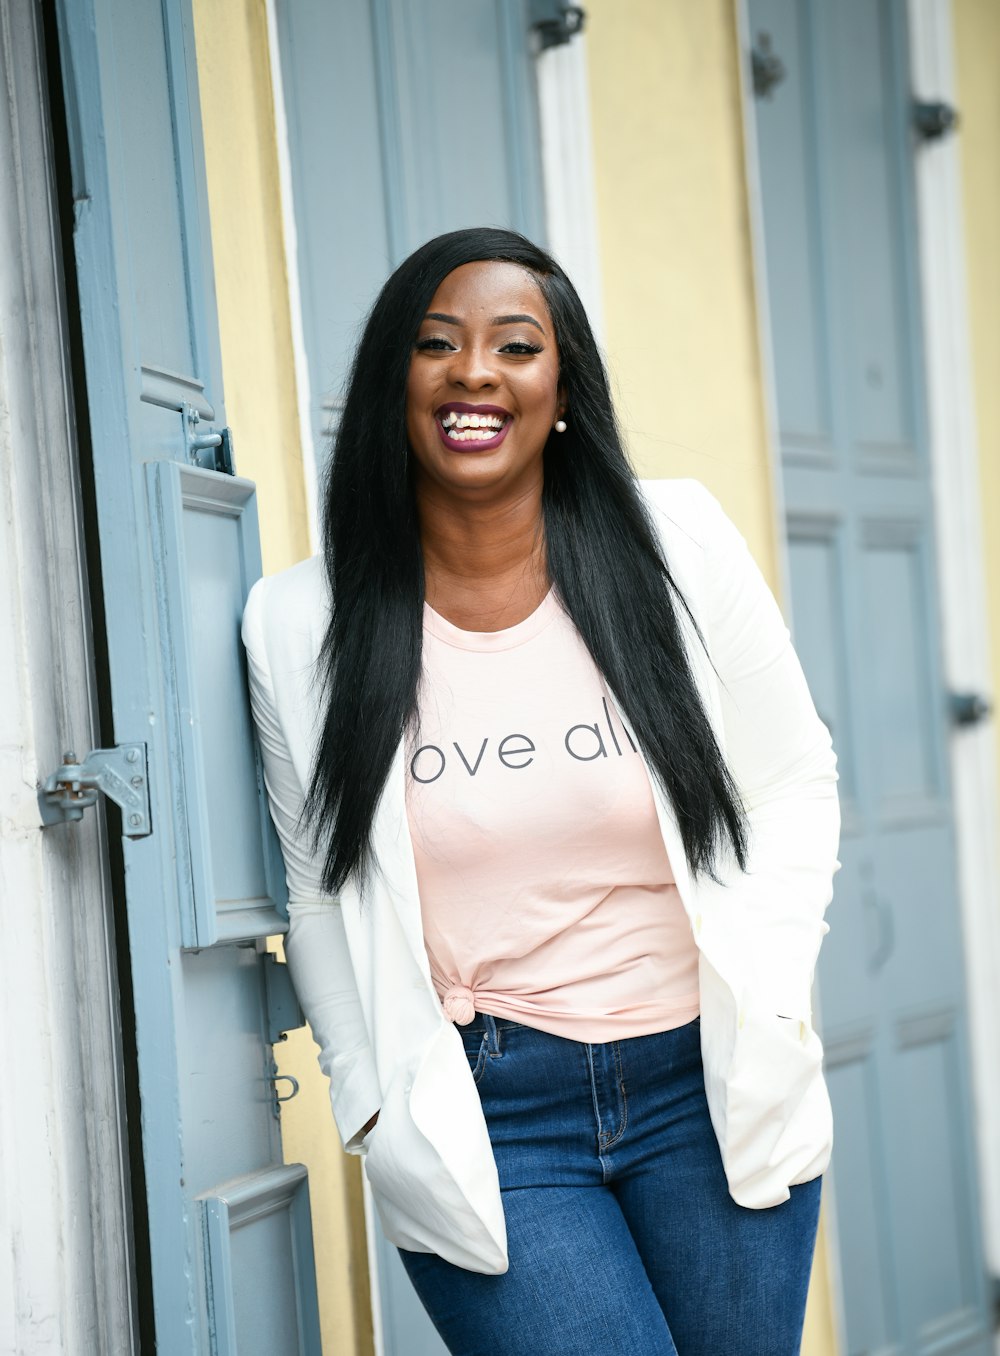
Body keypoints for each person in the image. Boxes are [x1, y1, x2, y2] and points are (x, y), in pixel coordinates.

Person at [241, 227, 840, 1356]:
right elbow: (316, 891)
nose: (474, 371)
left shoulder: (680, 550)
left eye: (516, 346)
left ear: (559, 391)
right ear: (393, 384)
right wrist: (368, 1100)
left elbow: (795, 779)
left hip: (704, 1086)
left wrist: (774, 975)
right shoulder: (299, 622)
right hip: (489, 1115)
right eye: (436, 345)